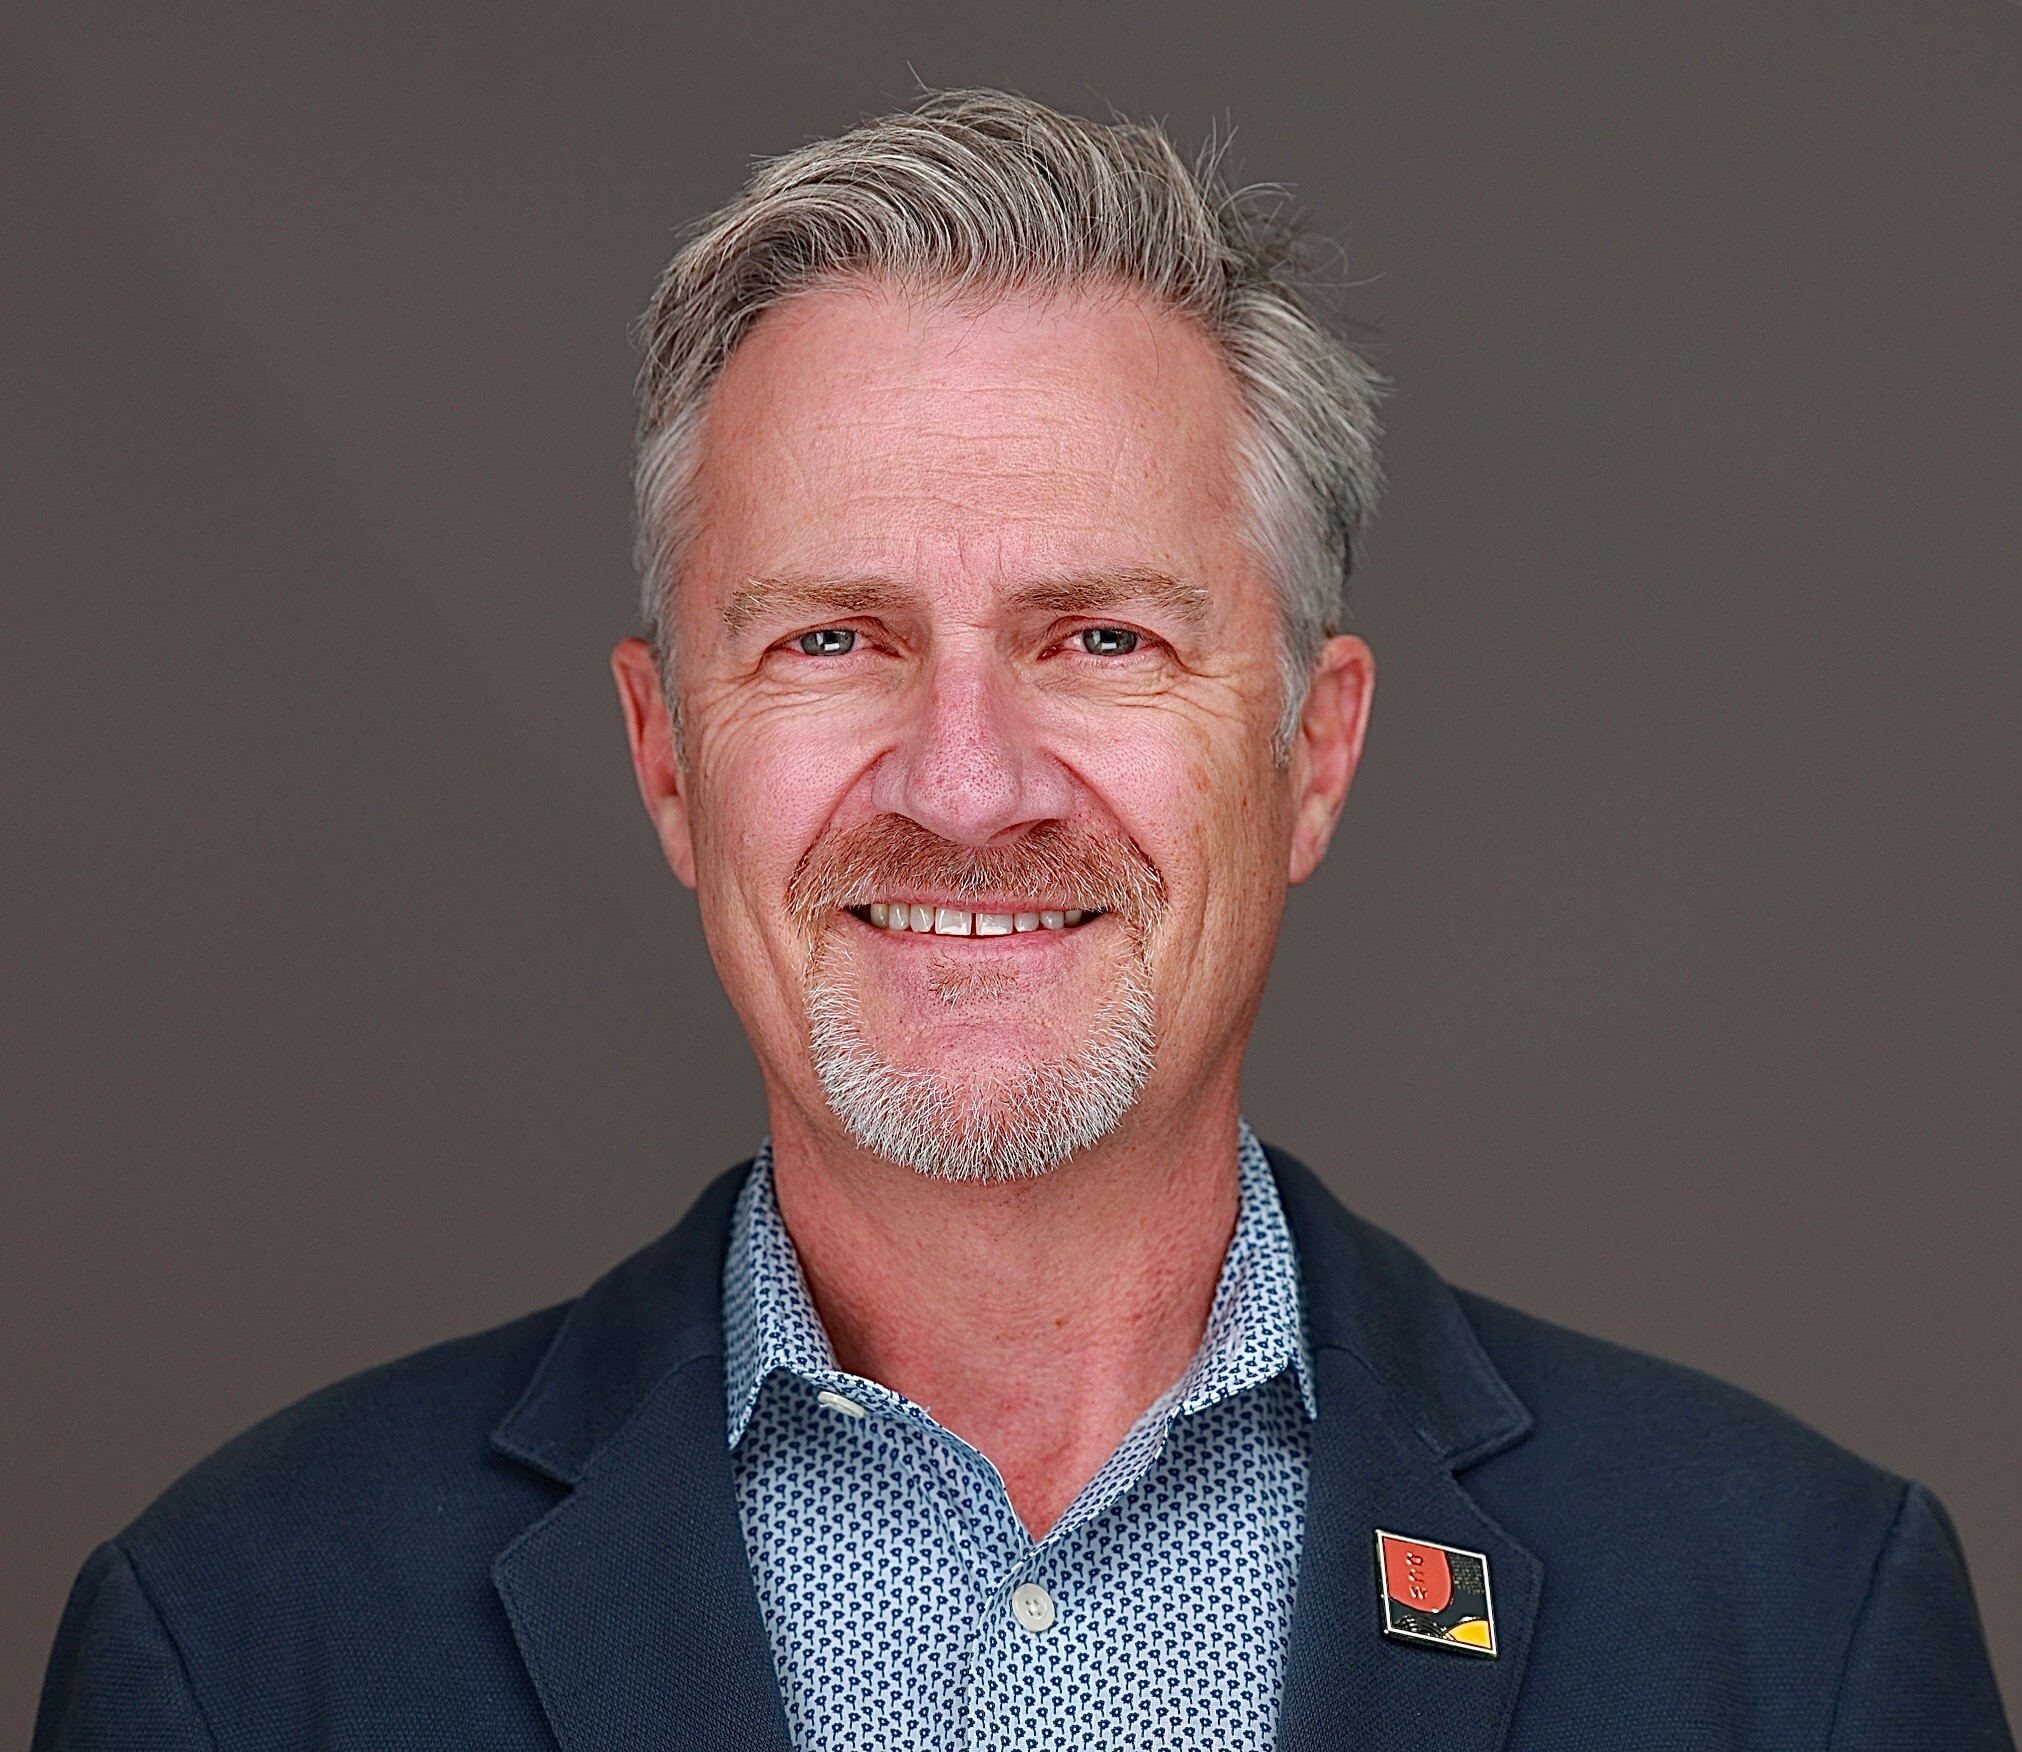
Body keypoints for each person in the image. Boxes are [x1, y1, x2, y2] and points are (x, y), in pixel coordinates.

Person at [35, 89, 2011, 1752]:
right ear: (667, 759)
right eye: (832, 639)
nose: (966, 786)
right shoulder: (244, 1643)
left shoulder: (1793, 1626)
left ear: (1313, 754)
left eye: (1103, 638)